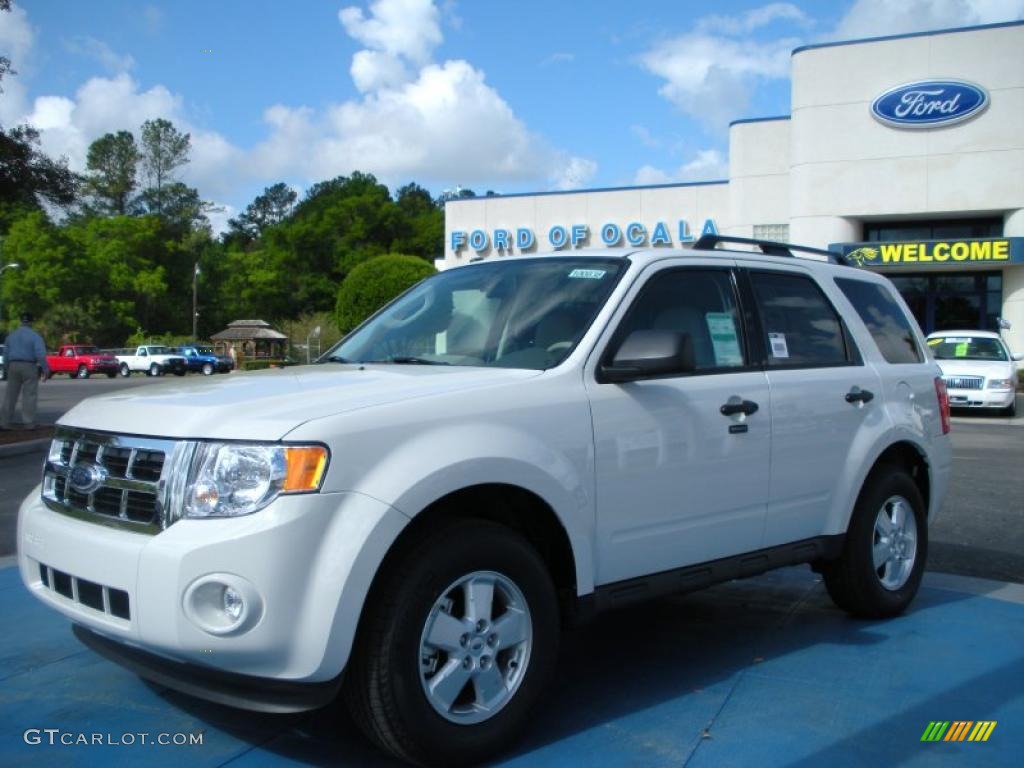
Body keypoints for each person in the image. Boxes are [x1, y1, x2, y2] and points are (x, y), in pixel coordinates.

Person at [1, 312, 50, 430]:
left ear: (21, 321)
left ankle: (5, 422)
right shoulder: (35, 336)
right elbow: (40, 354)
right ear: (31, 322)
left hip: (13, 364)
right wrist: (45, 369)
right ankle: (29, 422)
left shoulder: (11, 336)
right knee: (29, 395)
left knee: (10, 395)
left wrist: (8, 367)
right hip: (29, 365)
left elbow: (6, 354)